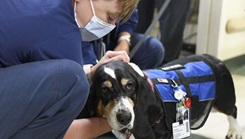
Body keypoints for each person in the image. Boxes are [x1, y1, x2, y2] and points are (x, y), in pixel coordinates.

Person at [0, 0, 138, 139]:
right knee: (74, 80)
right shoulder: (62, 32)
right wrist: (121, 120)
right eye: (110, 17)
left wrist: (91, 72)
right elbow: (66, 132)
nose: (111, 26)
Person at [83, 8, 165, 70]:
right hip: (84, 43)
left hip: (110, 39)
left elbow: (129, 11)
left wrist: (124, 39)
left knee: (153, 48)